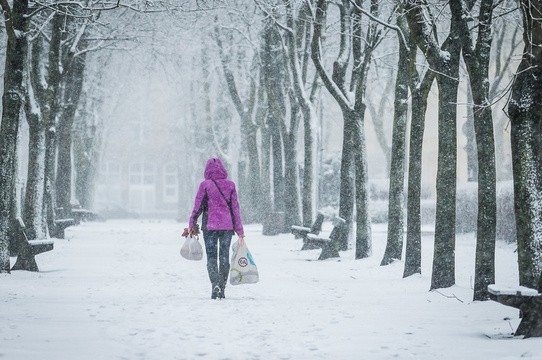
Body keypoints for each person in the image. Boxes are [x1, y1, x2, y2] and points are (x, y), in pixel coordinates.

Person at [188, 158, 244, 299]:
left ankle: (215, 285)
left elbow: (198, 207)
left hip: (210, 227)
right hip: (226, 227)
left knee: (212, 258)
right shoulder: (230, 185)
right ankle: (222, 287)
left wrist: (191, 224)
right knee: (224, 258)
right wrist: (240, 231)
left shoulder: (205, 185)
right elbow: (235, 210)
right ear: (223, 169)